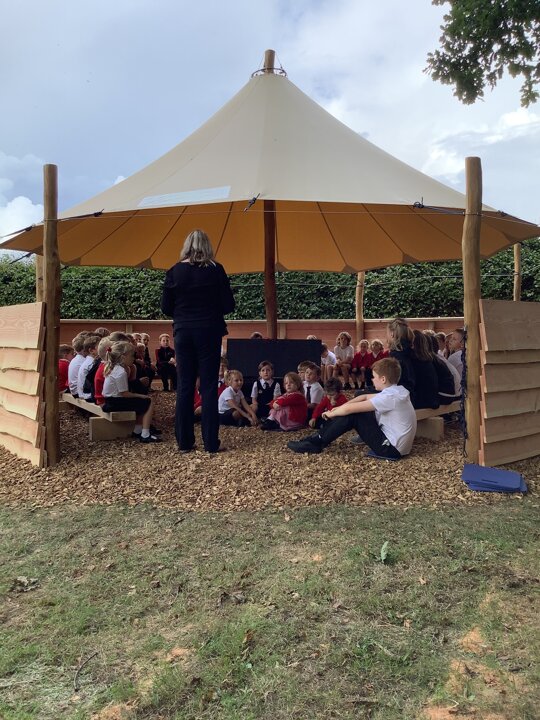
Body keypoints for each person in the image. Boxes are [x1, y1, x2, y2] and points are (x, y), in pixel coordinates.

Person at [161, 229, 235, 453]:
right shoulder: (216, 270)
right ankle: (210, 443)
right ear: (208, 246)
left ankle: (184, 442)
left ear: (186, 246)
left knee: (184, 385)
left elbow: (166, 308)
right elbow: (228, 305)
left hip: (183, 331)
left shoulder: (174, 271)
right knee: (209, 385)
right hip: (209, 331)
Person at [288, 357, 416, 459]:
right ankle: (317, 439)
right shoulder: (397, 391)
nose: (372, 380)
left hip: (390, 449)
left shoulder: (390, 397)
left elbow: (350, 410)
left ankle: (317, 441)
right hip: (397, 446)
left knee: (354, 414)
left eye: (374, 377)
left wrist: (331, 413)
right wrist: (340, 408)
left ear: (383, 379)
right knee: (353, 410)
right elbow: (364, 397)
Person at [102, 341, 161, 443]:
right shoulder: (120, 372)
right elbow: (124, 393)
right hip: (115, 403)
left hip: (111, 400)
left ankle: (137, 430)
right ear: (123, 357)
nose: (134, 358)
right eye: (132, 356)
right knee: (148, 401)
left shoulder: (114, 367)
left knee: (141, 402)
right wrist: (141, 396)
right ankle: (145, 434)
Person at [387, 318, 416, 406]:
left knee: (361, 395)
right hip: (412, 392)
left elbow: (392, 382)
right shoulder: (411, 349)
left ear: (392, 334)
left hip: (405, 397)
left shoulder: (396, 354)